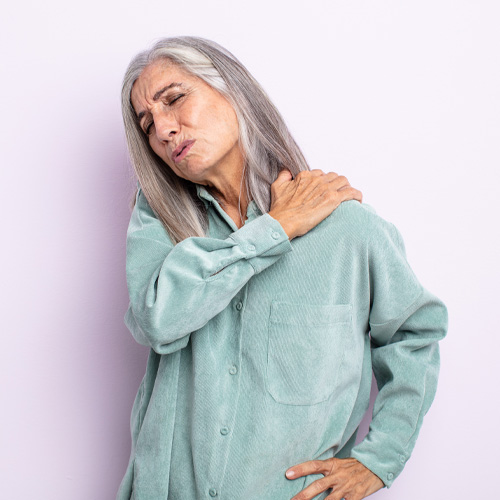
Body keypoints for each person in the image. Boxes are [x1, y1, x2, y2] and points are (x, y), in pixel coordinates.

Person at [116, 36, 448, 500]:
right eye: (148, 123)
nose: (164, 130)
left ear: (232, 90)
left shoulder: (347, 228)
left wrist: (380, 459)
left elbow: (415, 334)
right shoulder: (159, 225)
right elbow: (158, 318)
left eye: (174, 99)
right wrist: (275, 229)